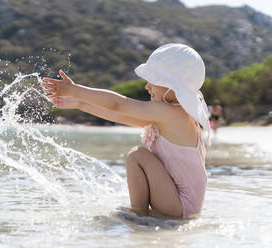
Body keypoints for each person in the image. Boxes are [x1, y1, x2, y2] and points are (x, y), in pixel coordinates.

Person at [41, 43, 211, 219]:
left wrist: (75, 91)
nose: (147, 86)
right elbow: (121, 116)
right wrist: (80, 104)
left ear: (173, 87)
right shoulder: (174, 115)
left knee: (138, 155)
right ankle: (142, 212)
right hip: (178, 204)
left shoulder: (172, 114)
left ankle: (138, 214)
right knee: (139, 155)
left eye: (154, 80)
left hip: (179, 205)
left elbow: (119, 104)